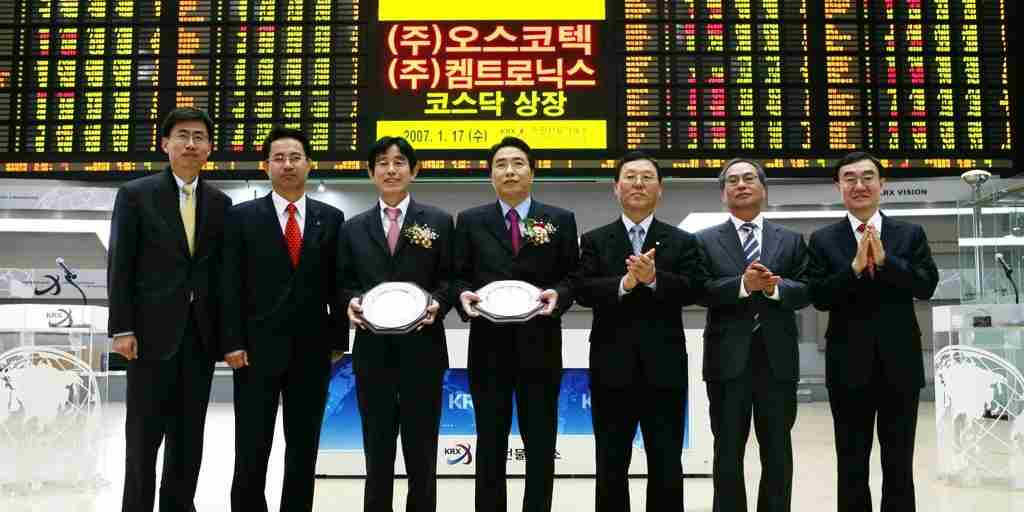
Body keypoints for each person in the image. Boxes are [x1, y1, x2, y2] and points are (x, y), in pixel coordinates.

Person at [107, 107, 232, 511]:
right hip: (148, 338)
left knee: (188, 438)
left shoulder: (221, 203)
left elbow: (222, 274)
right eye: (182, 135)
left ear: (209, 148)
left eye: (199, 137)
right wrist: (122, 328)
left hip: (199, 339)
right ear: (165, 144)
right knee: (143, 440)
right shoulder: (135, 195)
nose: (190, 144)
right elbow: (120, 265)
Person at [220, 126, 346, 511]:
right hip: (254, 352)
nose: (287, 165)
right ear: (266, 166)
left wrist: (338, 341)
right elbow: (229, 284)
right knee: (251, 446)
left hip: (312, 352)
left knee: (304, 447)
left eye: (295, 157)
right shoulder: (241, 217)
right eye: (278, 158)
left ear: (309, 164)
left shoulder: (331, 218)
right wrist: (232, 341)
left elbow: (338, 284)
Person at [572, 151, 707, 512]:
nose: (638, 183)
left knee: (666, 461)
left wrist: (654, 279)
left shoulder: (681, 240)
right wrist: (625, 283)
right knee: (610, 461)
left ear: (660, 189)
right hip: (610, 366)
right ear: (616, 188)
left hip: (665, 366)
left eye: (647, 177)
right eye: (630, 177)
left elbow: (695, 288)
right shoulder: (595, 240)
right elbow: (582, 290)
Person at [806, 151, 938, 512]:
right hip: (846, 365)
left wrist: (886, 262)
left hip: (901, 364)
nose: (859, 185)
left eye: (867, 177)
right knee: (851, 463)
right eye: (849, 178)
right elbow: (818, 297)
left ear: (883, 184)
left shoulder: (910, 234)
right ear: (838, 186)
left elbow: (926, 286)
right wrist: (852, 269)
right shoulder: (823, 240)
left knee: (899, 463)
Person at [453, 137, 579, 512]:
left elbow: (574, 276)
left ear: (532, 172)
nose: (510, 171)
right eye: (501, 164)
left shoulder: (560, 219)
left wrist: (560, 295)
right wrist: (462, 296)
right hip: (487, 348)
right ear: (490, 175)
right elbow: (457, 276)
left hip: (540, 348)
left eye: (518, 163)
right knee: (490, 442)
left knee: (540, 442)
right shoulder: (470, 221)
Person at [337, 136, 454, 512]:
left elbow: (451, 280)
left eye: (400, 162)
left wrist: (438, 303)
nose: (391, 170)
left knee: (423, 453)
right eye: (383, 163)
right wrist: (350, 302)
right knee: (377, 453)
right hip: (372, 353)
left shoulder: (439, 221)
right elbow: (341, 283)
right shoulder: (352, 228)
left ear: (414, 170)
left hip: (424, 351)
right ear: (370, 172)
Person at [695, 158, 809, 512]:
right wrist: (742, 285)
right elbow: (698, 290)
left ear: (764, 189)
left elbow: (807, 289)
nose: (741, 185)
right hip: (727, 363)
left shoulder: (790, 240)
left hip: (777, 363)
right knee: (727, 452)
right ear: (723, 193)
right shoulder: (704, 241)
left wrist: (774, 289)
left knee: (778, 453)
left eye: (748, 178)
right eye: (732, 181)